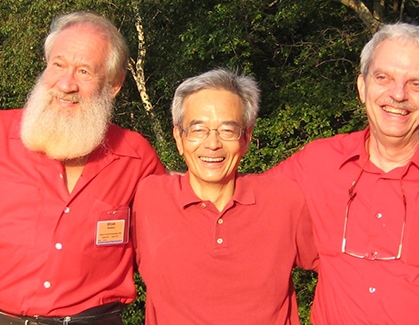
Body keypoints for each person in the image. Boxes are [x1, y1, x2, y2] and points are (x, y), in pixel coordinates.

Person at [0, 11, 165, 325]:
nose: (66, 83)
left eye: (84, 71)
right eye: (58, 65)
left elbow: (168, 252)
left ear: (113, 85)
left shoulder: (136, 157)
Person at [267, 22, 419, 324]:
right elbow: (245, 207)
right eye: (383, 77)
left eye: (416, 84)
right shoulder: (316, 163)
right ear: (362, 87)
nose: (398, 94)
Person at [132, 68, 319, 324]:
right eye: (198, 130)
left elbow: (341, 266)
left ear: (246, 138)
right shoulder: (147, 199)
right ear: (179, 138)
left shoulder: (284, 201)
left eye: (227, 131)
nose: (212, 144)